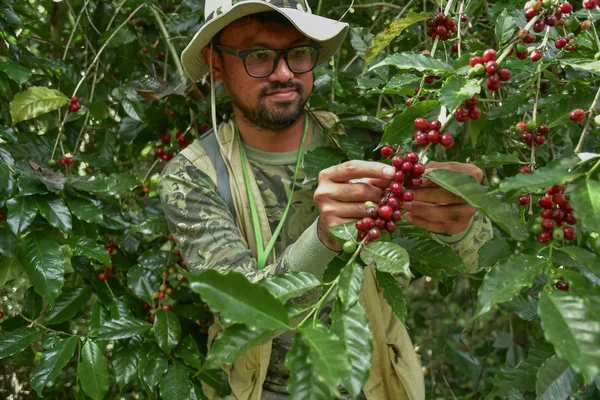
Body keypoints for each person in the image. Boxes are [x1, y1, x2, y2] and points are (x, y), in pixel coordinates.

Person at [158, 1, 493, 399]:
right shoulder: (194, 175)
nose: (284, 73)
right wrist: (324, 238)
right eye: (259, 56)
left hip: (376, 383)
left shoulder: (366, 145)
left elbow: (479, 264)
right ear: (215, 64)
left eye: (298, 52)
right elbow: (242, 314)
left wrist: (461, 225)